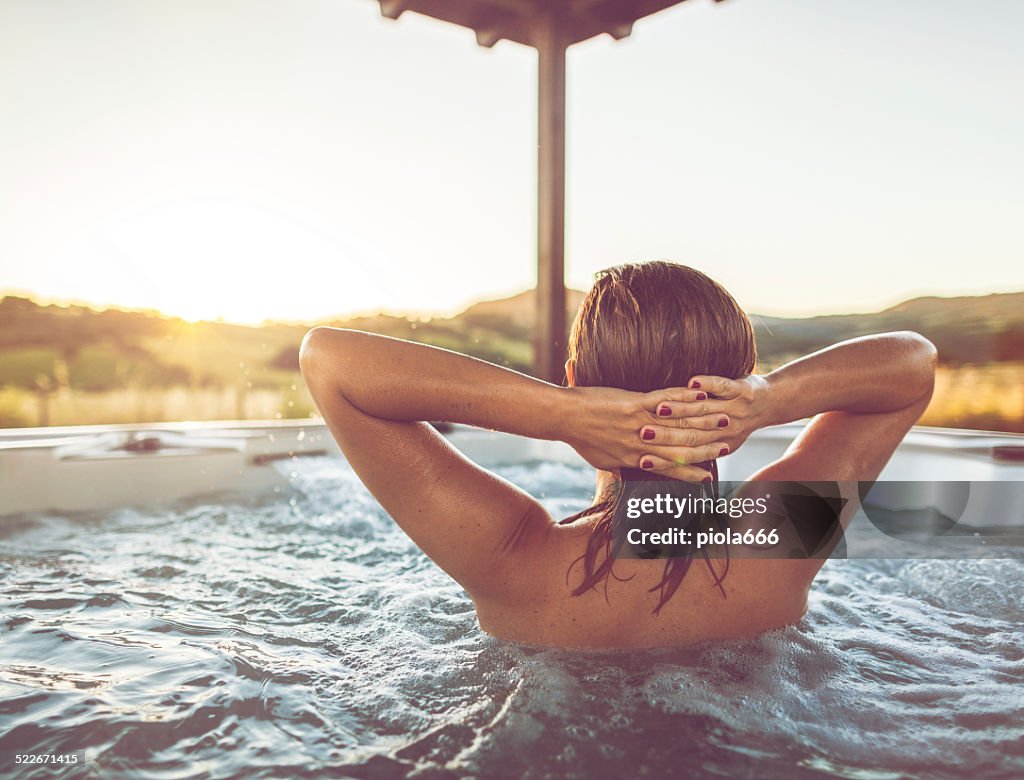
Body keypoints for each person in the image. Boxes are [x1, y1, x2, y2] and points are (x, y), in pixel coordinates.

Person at [299, 261, 936, 649]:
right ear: (737, 381)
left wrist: (555, 413)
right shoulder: (782, 541)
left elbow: (329, 362)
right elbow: (914, 365)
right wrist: (771, 398)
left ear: (576, 377)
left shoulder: (510, 558)